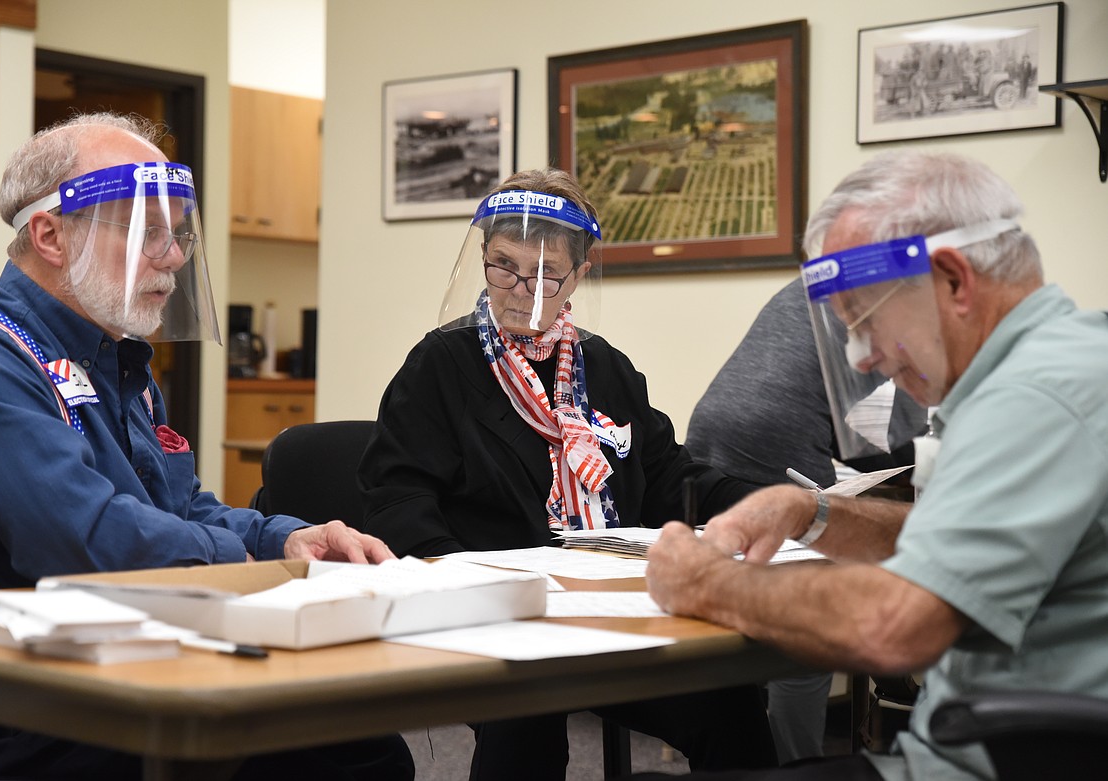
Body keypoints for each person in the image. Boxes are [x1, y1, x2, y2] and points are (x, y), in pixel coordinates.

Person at [0, 112, 412, 781]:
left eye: (177, 232)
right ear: (48, 234)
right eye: (143, 231)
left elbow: (181, 506)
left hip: (116, 661)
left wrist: (285, 539)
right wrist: (249, 558)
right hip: (10, 700)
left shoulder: (117, 357)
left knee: (360, 745)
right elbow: (85, 540)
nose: (174, 255)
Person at [639, 149, 1108, 780]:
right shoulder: (1060, 364)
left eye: (863, 320)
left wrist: (704, 584)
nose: (861, 358)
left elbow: (895, 626)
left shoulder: (1034, 395)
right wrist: (813, 511)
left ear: (952, 280)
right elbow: (952, 544)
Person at [359, 167, 777, 780]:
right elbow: (397, 499)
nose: (521, 292)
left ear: (579, 275)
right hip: (500, 618)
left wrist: (767, 506)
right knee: (526, 717)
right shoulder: (439, 366)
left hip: (606, 612)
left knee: (729, 699)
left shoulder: (604, 368)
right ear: (481, 258)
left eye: (547, 275)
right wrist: (469, 588)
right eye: (504, 267)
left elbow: (668, 477)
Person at [684, 277, 921, 765]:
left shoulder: (810, 288)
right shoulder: (885, 301)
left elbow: (832, 408)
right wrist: (924, 454)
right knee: (806, 644)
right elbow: (881, 439)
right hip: (775, 450)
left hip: (704, 442)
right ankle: (796, 765)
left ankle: (744, 746)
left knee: (736, 602)